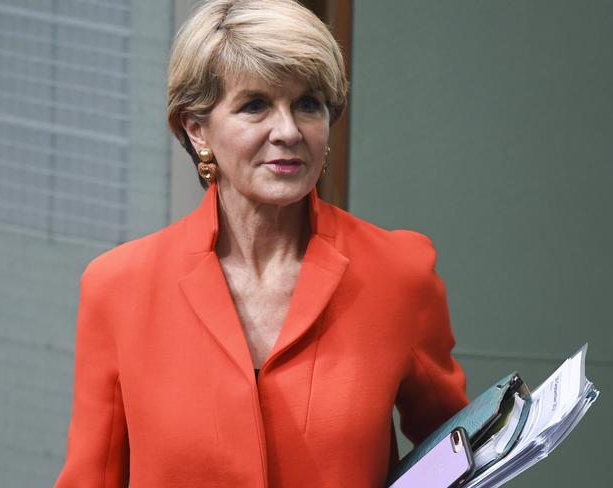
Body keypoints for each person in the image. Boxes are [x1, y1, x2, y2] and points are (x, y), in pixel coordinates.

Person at [55, 0, 468, 486]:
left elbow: (459, 456)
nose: (289, 131)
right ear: (196, 128)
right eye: (255, 106)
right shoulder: (119, 287)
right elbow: (90, 478)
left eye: (307, 104)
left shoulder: (399, 272)